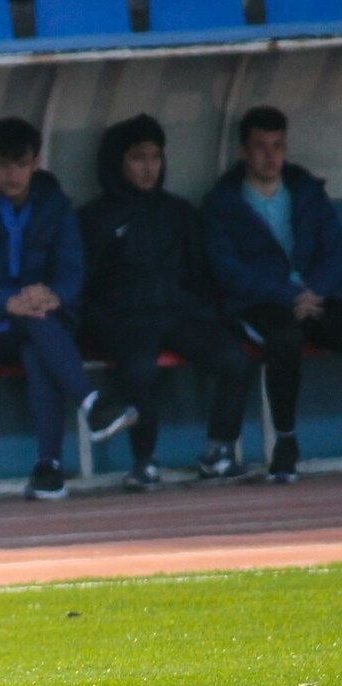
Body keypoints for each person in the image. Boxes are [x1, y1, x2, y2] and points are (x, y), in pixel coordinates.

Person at [0, 116, 137, 501]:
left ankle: (48, 470)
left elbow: (72, 269)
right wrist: (8, 302)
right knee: (37, 328)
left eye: (20, 164)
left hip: (45, 324)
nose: (12, 174)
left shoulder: (55, 206)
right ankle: (91, 404)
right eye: (3, 164)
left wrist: (53, 295)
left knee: (37, 346)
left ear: (36, 162)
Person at [80, 114, 254, 491]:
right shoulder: (96, 219)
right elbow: (87, 290)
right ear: (117, 162)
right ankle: (145, 462)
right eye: (138, 158)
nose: (149, 167)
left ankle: (219, 451)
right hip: (127, 319)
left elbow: (200, 278)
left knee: (234, 360)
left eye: (155, 157)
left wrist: (207, 316)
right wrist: (103, 327)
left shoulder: (179, 213)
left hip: (179, 314)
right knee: (140, 368)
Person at [201, 105, 342, 483]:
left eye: (277, 146)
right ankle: (286, 441)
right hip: (259, 303)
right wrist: (288, 294)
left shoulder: (306, 191)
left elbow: (334, 250)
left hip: (313, 296)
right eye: (260, 146)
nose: (270, 155)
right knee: (285, 338)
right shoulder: (223, 204)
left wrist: (315, 291)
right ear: (243, 151)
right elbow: (229, 271)